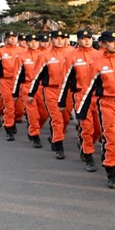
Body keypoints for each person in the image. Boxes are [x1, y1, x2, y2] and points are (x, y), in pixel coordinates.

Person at [78, 31, 115, 189]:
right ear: (103, 44)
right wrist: (82, 111)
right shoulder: (97, 64)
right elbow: (88, 89)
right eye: (111, 41)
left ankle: (111, 155)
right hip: (107, 104)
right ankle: (111, 171)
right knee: (111, 138)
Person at [59, 29, 102, 170]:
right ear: (78, 40)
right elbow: (65, 80)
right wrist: (62, 100)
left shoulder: (99, 55)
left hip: (98, 96)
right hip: (81, 96)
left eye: (89, 38)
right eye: (83, 38)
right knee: (87, 126)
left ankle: (85, 143)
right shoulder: (72, 57)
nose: (87, 40)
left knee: (99, 128)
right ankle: (88, 154)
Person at [28, 30, 72, 158]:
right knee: (57, 118)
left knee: (66, 118)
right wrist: (31, 93)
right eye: (56, 38)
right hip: (51, 90)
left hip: (67, 90)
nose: (59, 40)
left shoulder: (71, 54)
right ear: (51, 40)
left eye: (62, 38)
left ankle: (55, 136)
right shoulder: (45, 56)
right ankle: (59, 145)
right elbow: (36, 76)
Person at [13, 33, 49, 148]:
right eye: (31, 41)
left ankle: (35, 127)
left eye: (36, 41)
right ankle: (35, 135)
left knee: (44, 113)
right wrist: (15, 92)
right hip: (27, 87)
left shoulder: (44, 55)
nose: (34, 43)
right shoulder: (22, 57)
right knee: (33, 114)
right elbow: (17, 75)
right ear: (27, 43)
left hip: (41, 88)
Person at [0, 31, 25, 140]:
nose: (12, 39)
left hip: (19, 82)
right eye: (9, 37)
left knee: (19, 108)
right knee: (9, 106)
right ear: (5, 39)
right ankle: (9, 129)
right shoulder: (1, 52)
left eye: (14, 37)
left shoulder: (23, 51)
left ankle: (14, 120)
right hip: (6, 81)